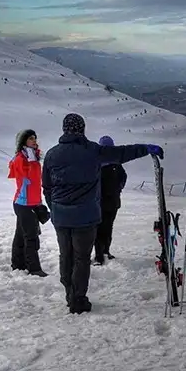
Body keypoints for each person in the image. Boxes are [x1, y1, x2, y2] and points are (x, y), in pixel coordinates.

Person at [42, 113, 159, 314]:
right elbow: (121, 153)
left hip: (61, 217)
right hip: (85, 217)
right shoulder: (92, 151)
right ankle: (78, 298)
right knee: (81, 258)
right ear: (82, 129)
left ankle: (69, 293)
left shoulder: (52, 154)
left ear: (64, 130)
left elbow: (47, 187)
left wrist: (55, 209)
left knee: (66, 255)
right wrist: (146, 148)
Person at [8, 129, 48, 276]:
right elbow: (26, 176)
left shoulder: (33, 157)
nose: (34, 141)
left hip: (32, 202)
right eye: (31, 138)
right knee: (31, 236)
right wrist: (31, 161)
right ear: (23, 141)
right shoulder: (21, 158)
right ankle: (34, 268)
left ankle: (18, 264)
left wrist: (39, 202)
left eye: (35, 138)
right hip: (23, 203)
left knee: (21, 234)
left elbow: (36, 181)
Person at [94, 135, 127, 265]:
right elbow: (123, 179)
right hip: (110, 202)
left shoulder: (97, 164)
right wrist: (118, 189)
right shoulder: (115, 164)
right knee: (105, 228)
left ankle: (102, 254)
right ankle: (102, 253)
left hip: (103, 202)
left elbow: (123, 179)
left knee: (102, 228)